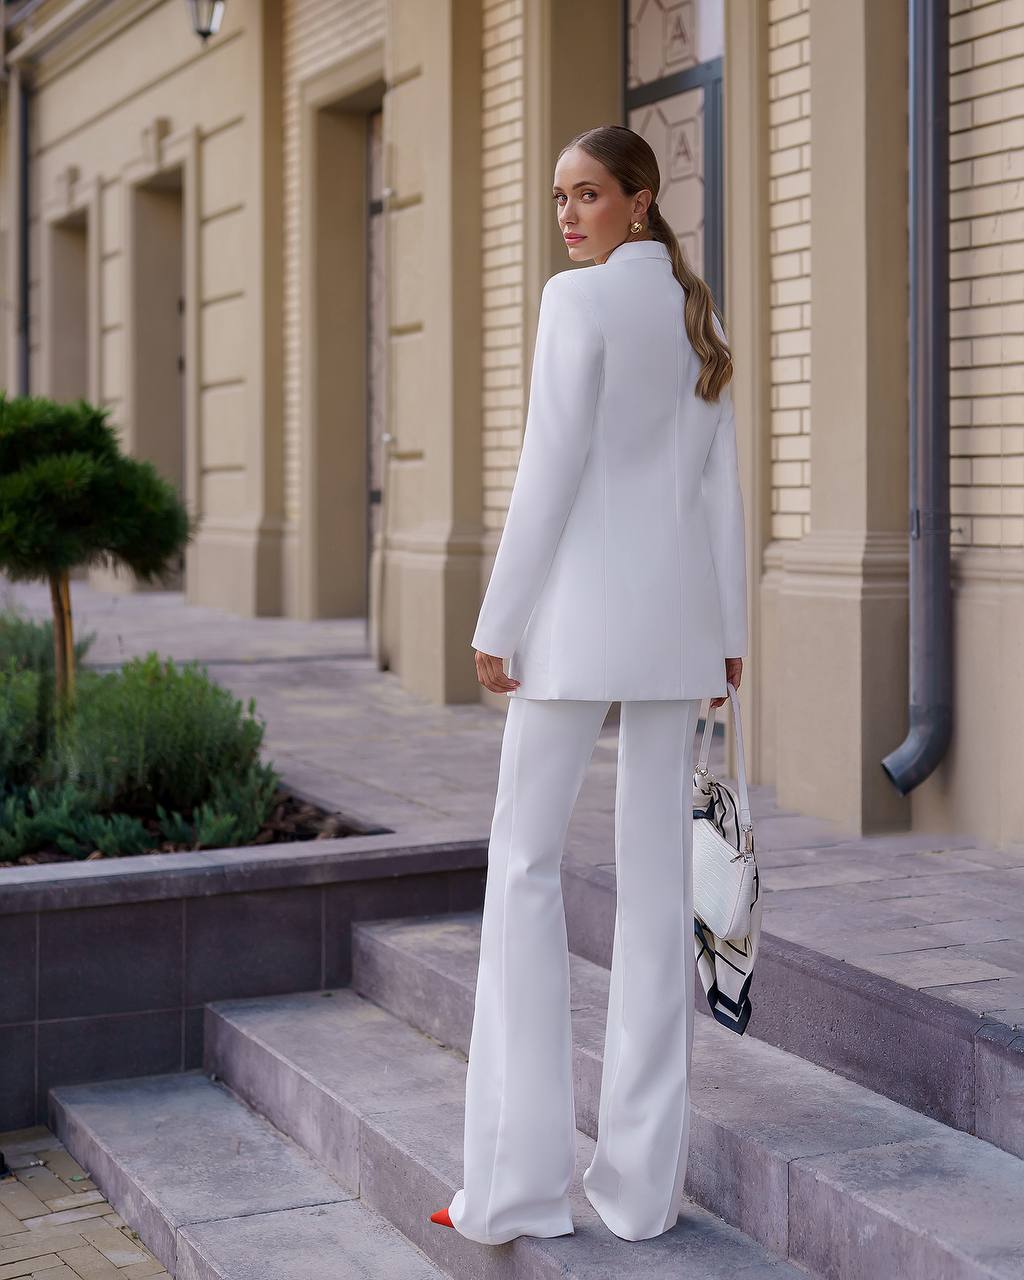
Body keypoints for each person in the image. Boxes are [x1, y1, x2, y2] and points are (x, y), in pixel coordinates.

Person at [431, 123, 748, 1245]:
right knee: (655, 892)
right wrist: (730, 637)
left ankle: (516, 1188)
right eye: (560, 197)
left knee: (521, 868)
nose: (568, 215)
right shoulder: (696, 316)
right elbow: (721, 494)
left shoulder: (577, 306)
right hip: (672, 636)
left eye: (589, 194)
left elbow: (548, 470)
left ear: (640, 200)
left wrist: (495, 620)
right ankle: (636, 1192)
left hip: (569, 633)